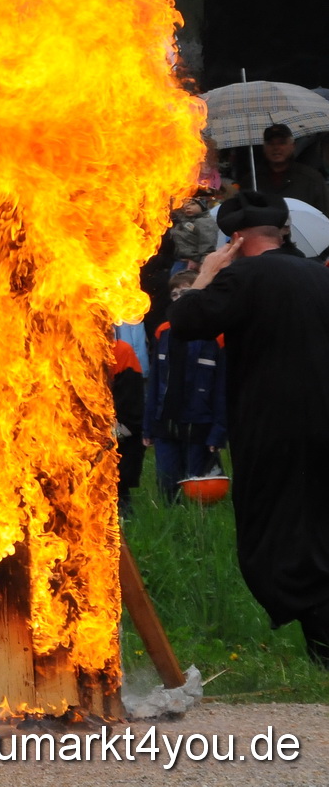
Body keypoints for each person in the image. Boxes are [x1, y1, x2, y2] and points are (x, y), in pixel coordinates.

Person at [169, 191, 329, 665]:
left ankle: (322, 636)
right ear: (280, 230)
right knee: (319, 524)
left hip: (271, 426)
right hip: (322, 422)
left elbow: (185, 320)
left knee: (273, 535)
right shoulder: (318, 278)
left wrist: (207, 273)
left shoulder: (240, 277)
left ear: (235, 238)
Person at [144, 271, 227, 502]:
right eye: (175, 294)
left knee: (198, 487)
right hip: (166, 422)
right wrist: (148, 426)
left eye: (186, 292)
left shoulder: (216, 336)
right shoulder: (164, 332)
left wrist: (218, 432)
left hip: (199, 423)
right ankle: (171, 524)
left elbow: (221, 389)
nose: (179, 297)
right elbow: (155, 383)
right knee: (167, 484)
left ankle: (195, 529)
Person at [253, 124, 329, 215]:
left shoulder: (312, 179)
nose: (276, 148)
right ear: (264, 148)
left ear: (293, 146)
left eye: (282, 143)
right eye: (271, 143)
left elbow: (324, 216)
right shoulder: (252, 181)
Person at [111, 333, 146, 517]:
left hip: (119, 434)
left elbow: (131, 406)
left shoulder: (121, 351)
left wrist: (116, 430)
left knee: (119, 489)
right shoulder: (69, 351)